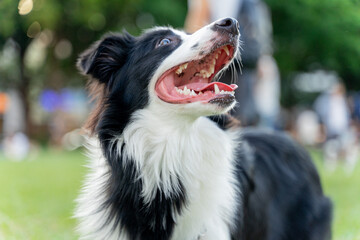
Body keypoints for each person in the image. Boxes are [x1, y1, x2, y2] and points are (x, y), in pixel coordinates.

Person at [185, 0, 280, 127]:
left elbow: (257, 30)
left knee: (239, 115)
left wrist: (263, 56)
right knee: (220, 114)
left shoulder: (249, 4)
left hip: (240, 61)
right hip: (217, 60)